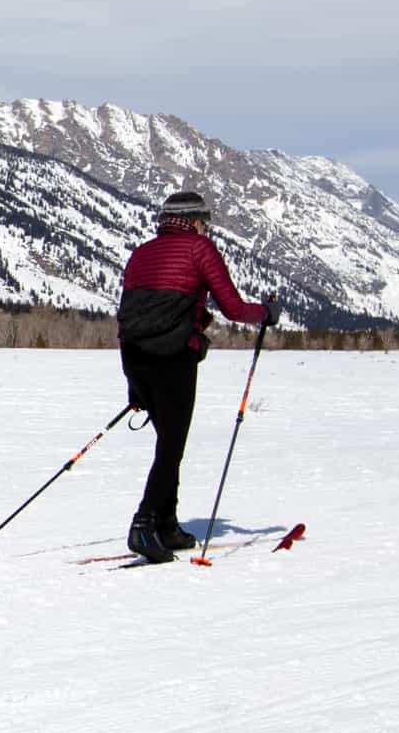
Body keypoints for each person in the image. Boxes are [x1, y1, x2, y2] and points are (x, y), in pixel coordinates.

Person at [116, 189, 278, 563]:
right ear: (194, 221)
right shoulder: (198, 249)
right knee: (172, 446)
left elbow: (128, 317)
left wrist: (133, 385)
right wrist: (267, 313)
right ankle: (143, 526)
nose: (207, 228)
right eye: (205, 221)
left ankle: (167, 524)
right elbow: (234, 308)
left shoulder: (141, 253)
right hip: (173, 359)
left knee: (167, 445)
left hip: (135, 358)